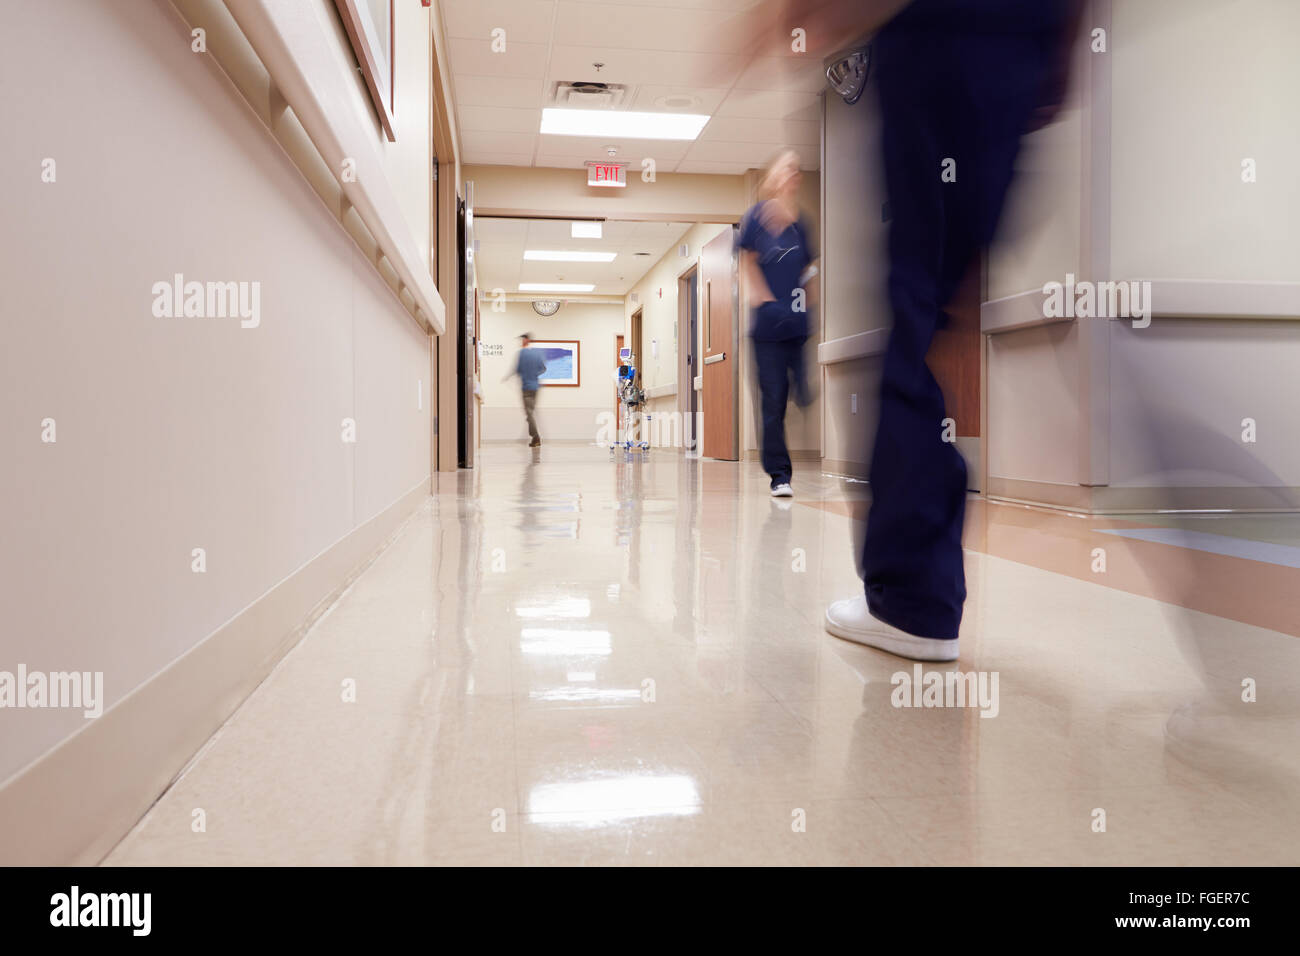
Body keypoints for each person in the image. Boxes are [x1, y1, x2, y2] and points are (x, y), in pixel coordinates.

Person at [825, 0, 1080, 661]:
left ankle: (912, 603)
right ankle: (917, 586)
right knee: (943, 315)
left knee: (915, 314)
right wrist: (1057, 57)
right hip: (1019, 55)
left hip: (941, 41)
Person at [738, 148, 818, 499]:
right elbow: (747, 262)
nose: (794, 174)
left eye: (797, 170)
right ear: (774, 176)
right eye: (788, 168)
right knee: (774, 402)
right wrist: (764, 300)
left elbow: (810, 269)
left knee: (802, 394)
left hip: (797, 324)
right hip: (768, 328)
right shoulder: (756, 217)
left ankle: (801, 382)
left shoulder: (802, 224)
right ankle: (779, 475)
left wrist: (810, 302)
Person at [503, 333, 547, 447]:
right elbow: (543, 369)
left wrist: (507, 377)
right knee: (530, 413)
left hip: (526, 388)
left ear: (526, 340)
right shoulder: (537, 354)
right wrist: (534, 374)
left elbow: (516, 370)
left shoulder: (522, 353)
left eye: (522, 340)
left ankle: (536, 437)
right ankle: (534, 437)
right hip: (535, 387)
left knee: (529, 413)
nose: (521, 342)